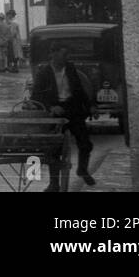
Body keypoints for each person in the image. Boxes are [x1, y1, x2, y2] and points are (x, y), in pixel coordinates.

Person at [31, 43, 96, 191]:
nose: (66, 58)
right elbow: (36, 95)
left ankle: (82, 170)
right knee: (54, 148)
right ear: (53, 54)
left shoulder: (71, 69)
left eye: (67, 55)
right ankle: (54, 183)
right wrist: (51, 107)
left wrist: (90, 105)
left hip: (73, 109)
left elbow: (79, 90)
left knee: (85, 143)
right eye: (63, 54)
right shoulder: (44, 72)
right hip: (55, 111)